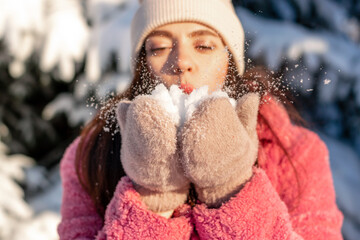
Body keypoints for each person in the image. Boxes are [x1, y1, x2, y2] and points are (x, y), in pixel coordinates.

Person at [58, 0, 344, 239]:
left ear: (229, 59)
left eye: (204, 46)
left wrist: (229, 186)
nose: (181, 61)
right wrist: (154, 198)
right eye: (158, 48)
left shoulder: (294, 152)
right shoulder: (89, 155)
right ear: (143, 66)